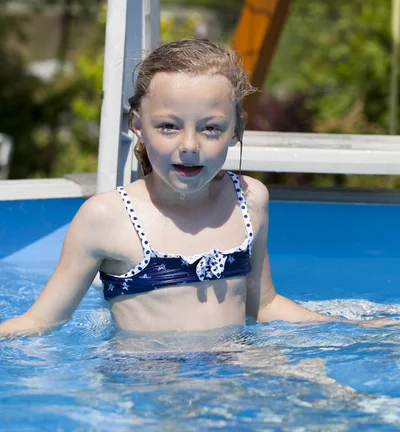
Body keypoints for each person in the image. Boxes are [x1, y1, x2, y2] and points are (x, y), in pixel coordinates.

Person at [0, 39, 397, 339]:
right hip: (151, 381)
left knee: (339, 404)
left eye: (211, 128)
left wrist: (356, 327)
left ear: (237, 128)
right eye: (169, 126)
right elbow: (41, 321)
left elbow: (265, 305)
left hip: (237, 366)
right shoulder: (107, 218)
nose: (189, 145)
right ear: (137, 124)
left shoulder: (249, 200)